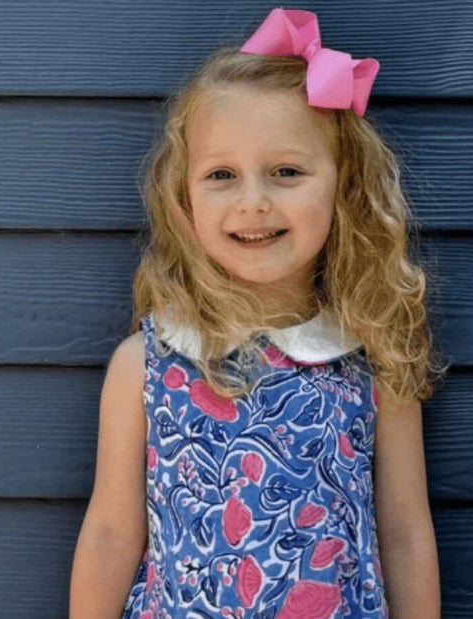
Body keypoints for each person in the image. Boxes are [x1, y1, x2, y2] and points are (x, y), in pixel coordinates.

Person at [71, 8, 448, 618]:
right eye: (222, 174)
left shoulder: (370, 361)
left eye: (286, 172)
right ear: (183, 197)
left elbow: (405, 534)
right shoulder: (145, 365)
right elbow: (112, 533)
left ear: (342, 188)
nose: (254, 202)